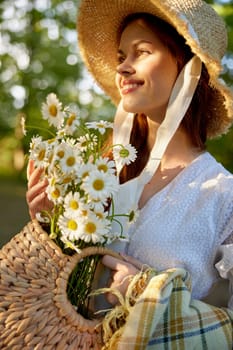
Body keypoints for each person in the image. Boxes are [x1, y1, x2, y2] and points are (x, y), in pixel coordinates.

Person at [26, 0, 233, 347]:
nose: (123, 67)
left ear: (187, 66)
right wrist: (51, 229)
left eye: (142, 51)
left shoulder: (223, 194)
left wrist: (147, 293)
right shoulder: (97, 172)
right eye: (123, 55)